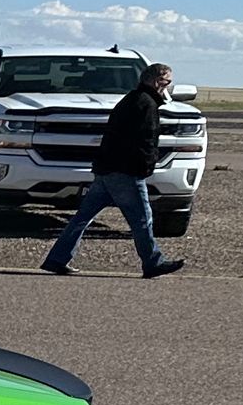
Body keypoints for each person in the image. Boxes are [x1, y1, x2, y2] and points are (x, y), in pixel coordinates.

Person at [41, 63, 186, 278]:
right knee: (142, 219)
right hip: (125, 172)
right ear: (157, 81)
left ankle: (57, 258)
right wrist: (145, 167)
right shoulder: (145, 104)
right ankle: (153, 262)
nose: (168, 87)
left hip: (106, 169)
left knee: (82, 217)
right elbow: (144, 141)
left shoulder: (130, 100)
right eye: (167, 82)